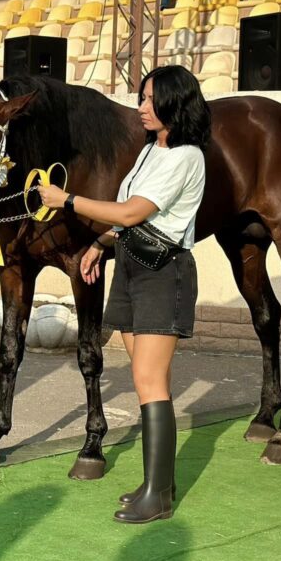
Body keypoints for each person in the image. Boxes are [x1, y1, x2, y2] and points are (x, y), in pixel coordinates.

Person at [40, 65, 209, 524]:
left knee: (151, 381)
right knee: (143, 377)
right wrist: (99, 243)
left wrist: (68, 201)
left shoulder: (187, 156)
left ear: (175, 102)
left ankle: (159, 495)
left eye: (150, 99)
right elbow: (126, 215)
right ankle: (157, 483)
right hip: (132, 265)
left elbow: (135, 210)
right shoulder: (152, 151)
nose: (141, 107)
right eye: (141, 98)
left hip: (163, 271)